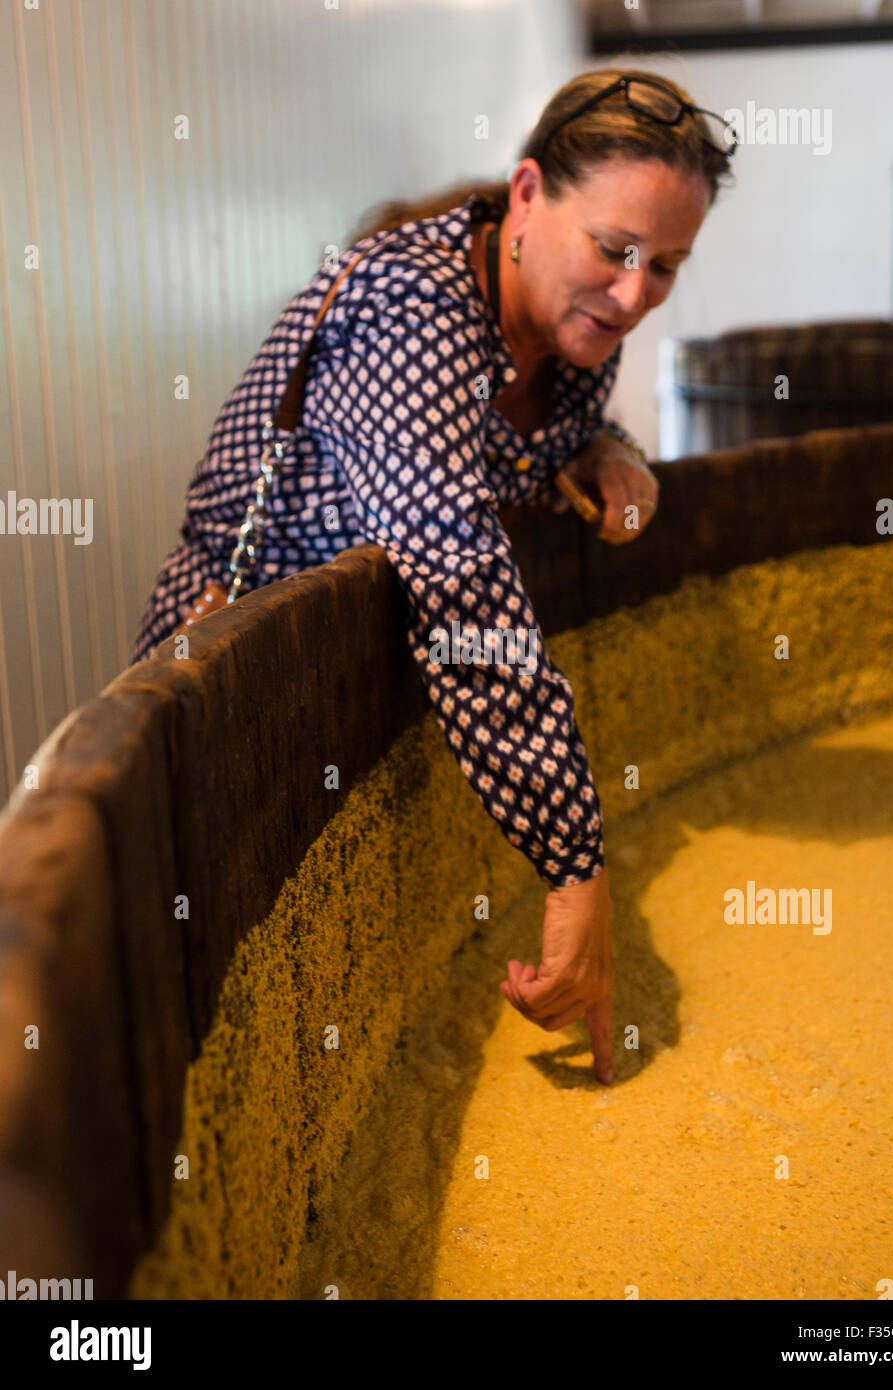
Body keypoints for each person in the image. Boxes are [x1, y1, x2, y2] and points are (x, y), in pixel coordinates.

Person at [130, 67, 736, 1084]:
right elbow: (460, 583)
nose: (636, 295)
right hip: (239, 692)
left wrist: (606, 449)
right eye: (615, 249)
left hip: (365, 698)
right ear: (531, 194)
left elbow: (532, 445)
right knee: (195, 1020)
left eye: (668, 265)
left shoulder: (575, 333)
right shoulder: (409, 306)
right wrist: (576, 867)